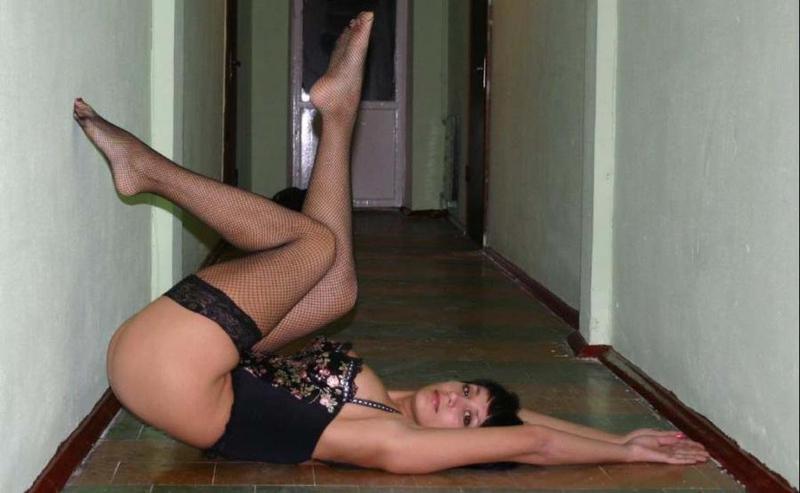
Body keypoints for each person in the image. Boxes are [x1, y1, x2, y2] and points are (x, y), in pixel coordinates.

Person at [73, 12, 709, 472]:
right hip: (180, 369)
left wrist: (628, 456)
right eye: (468, 391)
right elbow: (522, 421)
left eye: (464, 419)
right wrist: (616, 435)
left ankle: (150, 172)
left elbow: (528, 442)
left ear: (461, 443)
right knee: (339, 288)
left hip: (168, 374)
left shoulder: (394, 443)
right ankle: (338, 116)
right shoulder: (396, 401)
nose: (456, 400)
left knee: (312, 246)